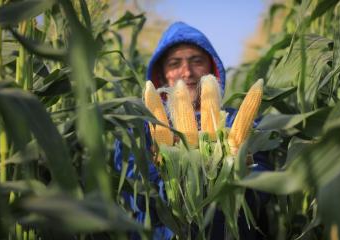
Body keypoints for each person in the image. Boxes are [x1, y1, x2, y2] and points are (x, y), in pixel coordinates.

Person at [114, 21, 270, 239]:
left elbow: (263, 184)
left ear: (212, 69)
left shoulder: (237, 120)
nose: (186, 72)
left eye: (196, 61)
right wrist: (170, 178)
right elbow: (138, 195)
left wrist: (239, 170)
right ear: (162, 75)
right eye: (175, 63)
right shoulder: (141, 129)